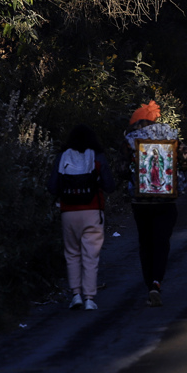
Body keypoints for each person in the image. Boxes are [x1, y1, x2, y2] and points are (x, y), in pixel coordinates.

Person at [122, 101, 187, 307]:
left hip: (141, 202)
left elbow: (122, 169)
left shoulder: (130, 141)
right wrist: (174, 173)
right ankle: (157, 282)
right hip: (166, 199)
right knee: (162, 242)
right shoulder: (170, 136)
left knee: (146, 244)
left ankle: (149, 286)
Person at [47, 125, 117, 311]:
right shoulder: (97, 156)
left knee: (72, 254)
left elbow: (52, 187)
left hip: (68, 212)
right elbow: (110, 185)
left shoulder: (63, 157)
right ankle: (89, 298)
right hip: (93, 211)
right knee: (90, 255)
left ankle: (75, 295)